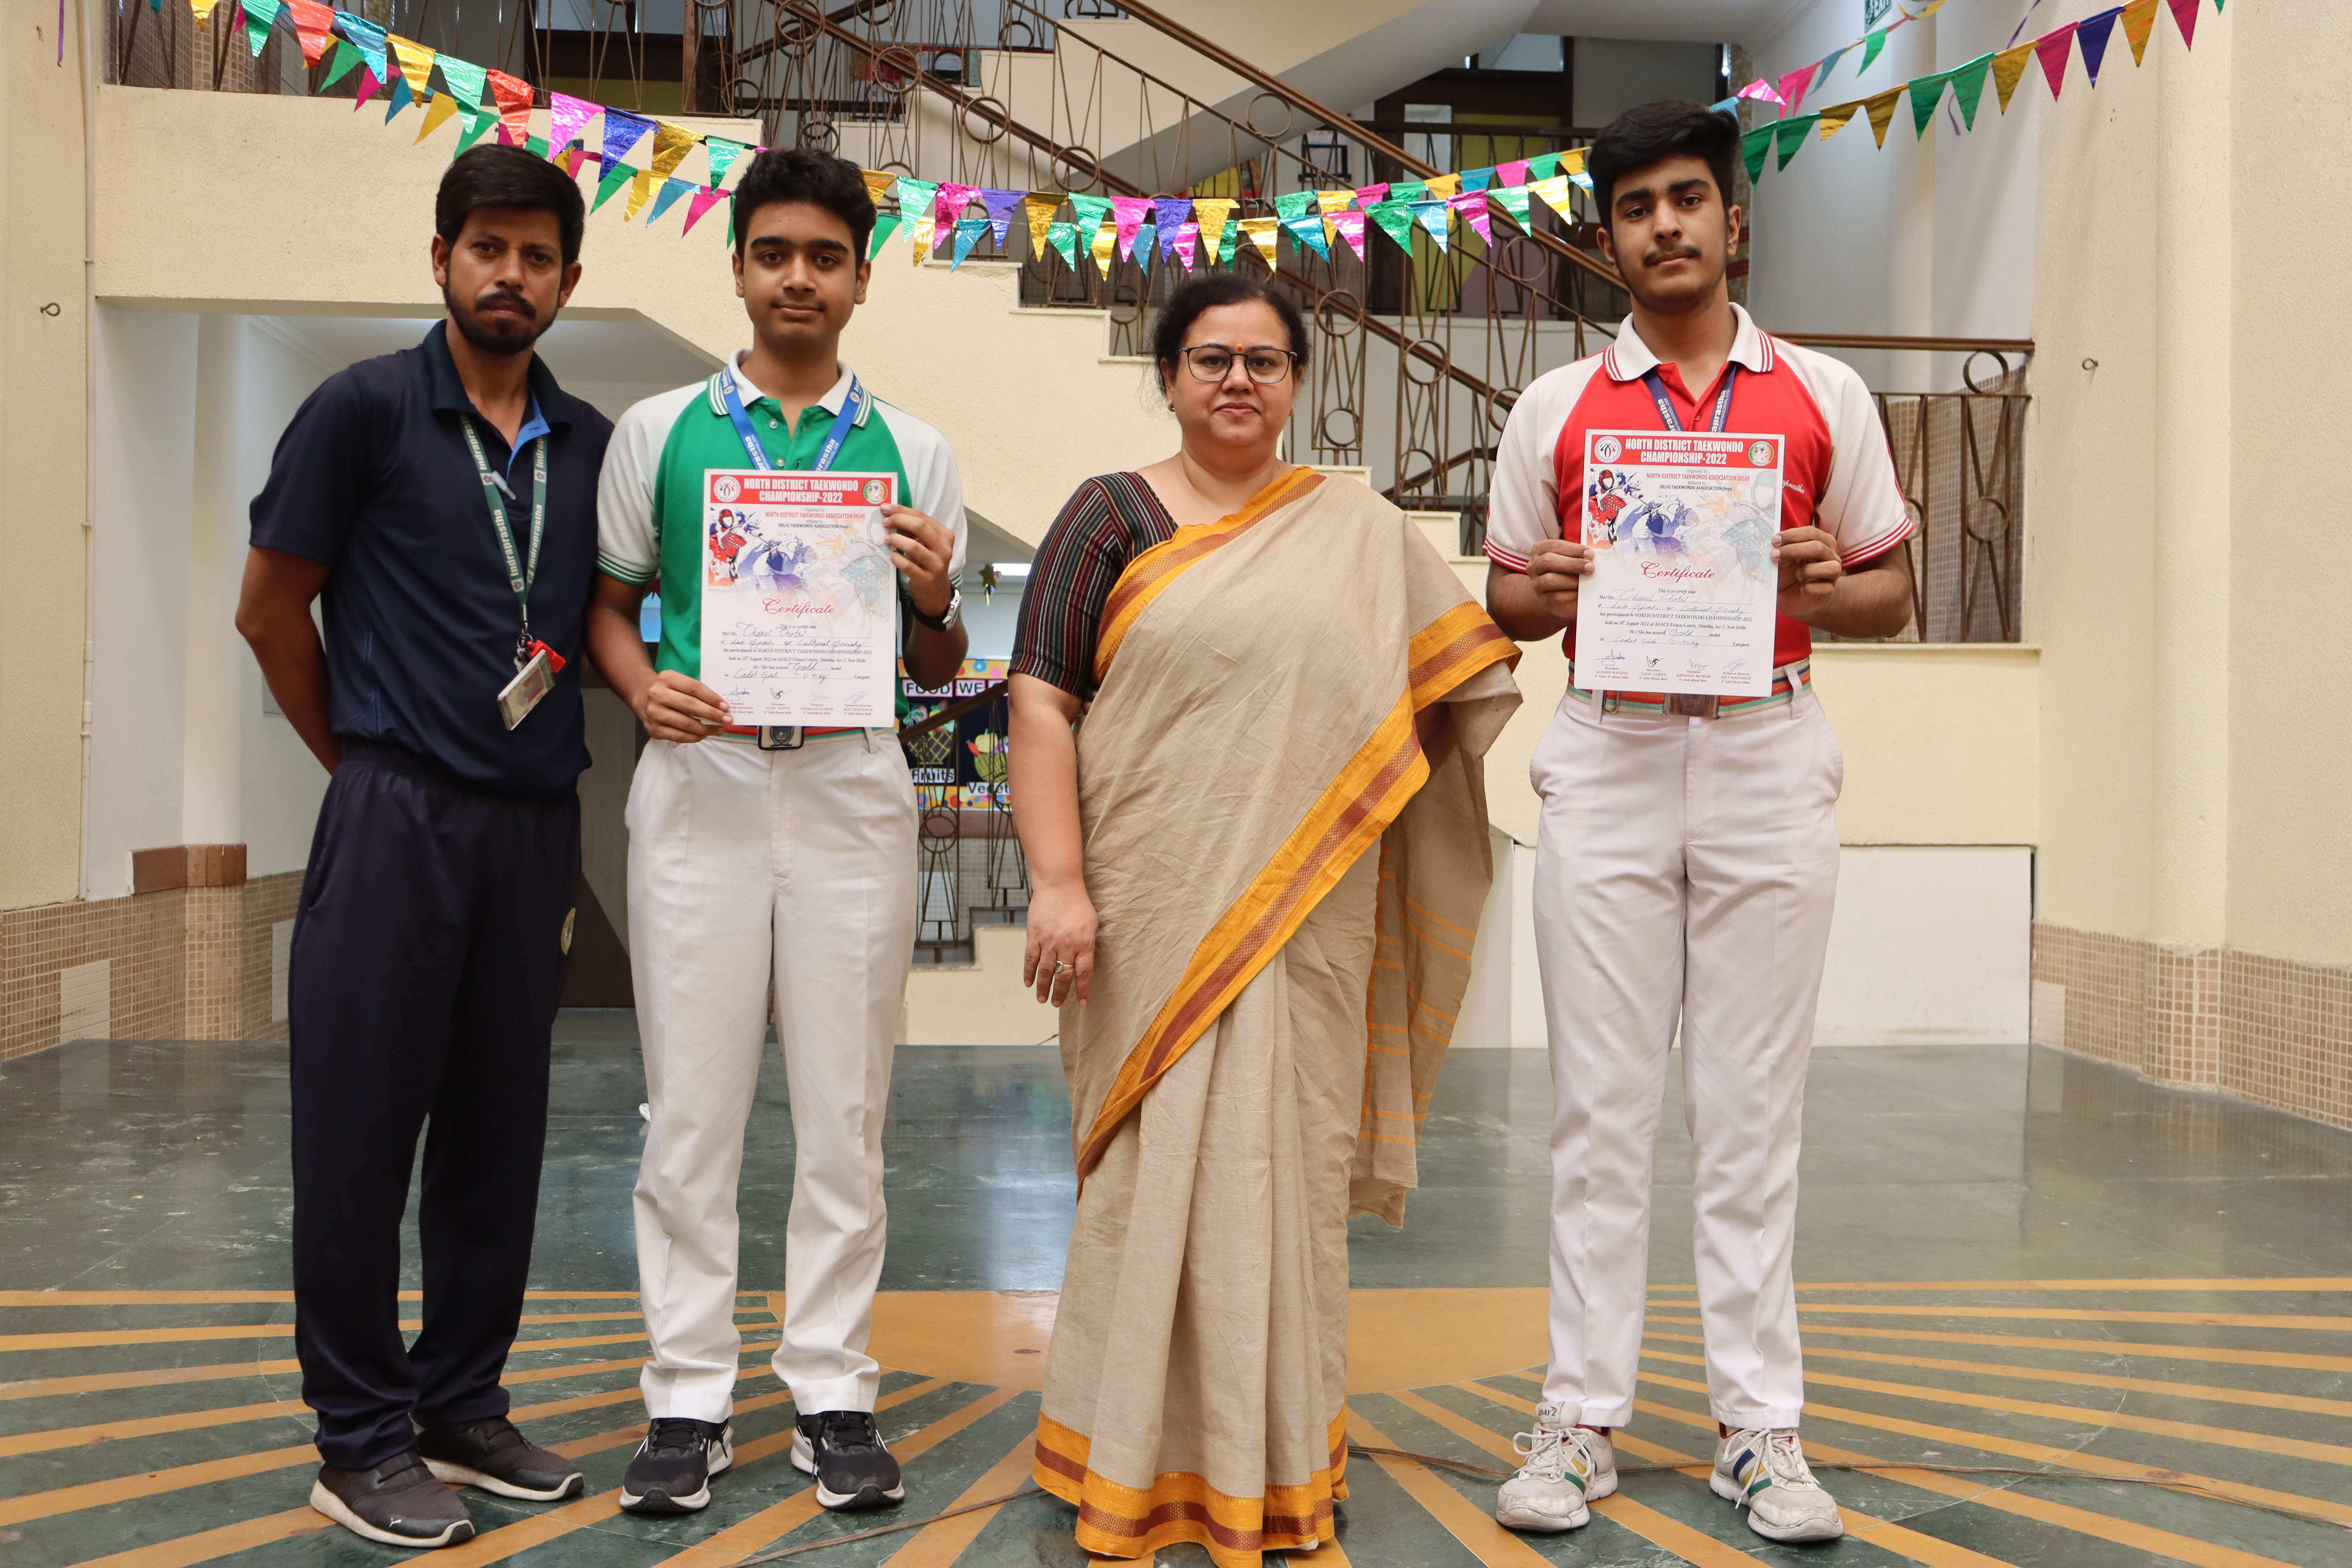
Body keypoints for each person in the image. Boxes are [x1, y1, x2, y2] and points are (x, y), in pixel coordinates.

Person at [1009, 273, 1521, 1566]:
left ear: (1299, 380)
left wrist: (1578, 596)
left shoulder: (1356, 525)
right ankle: (1117, 1446)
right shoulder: (1106, 517)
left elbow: (1454, 674)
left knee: (1279, 1176)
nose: (1238, 381)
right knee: (1153, 1172)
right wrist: (1060, 882)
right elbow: (1040, 703)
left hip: (1309, 917)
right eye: (1210, 359)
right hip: (1150, 904)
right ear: (1170, 374)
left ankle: (1279, 1453)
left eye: (1265, 361)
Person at [1481, 101, 1915, 1544]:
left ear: (1735, 220)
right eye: (1634, 208)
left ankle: (1759, 1431)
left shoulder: (1825, 397)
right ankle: (1581, 1418)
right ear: (1607, 240)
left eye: (1687, 200)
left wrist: (1814, 578)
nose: (1663, 225)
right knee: (1598, 1113)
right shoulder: (1554, 408)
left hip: (1766, 746)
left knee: (1750, 1115)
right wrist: (1545, 581)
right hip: (1606, 751)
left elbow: (1888, 595)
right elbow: (1507, 605)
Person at [584, 146, 968, 1517]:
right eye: (772, 253)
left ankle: (832, 1389)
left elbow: (937, 669)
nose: (797, 276)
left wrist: (936, 599)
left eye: (824, 256)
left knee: (844, 1110)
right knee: (688, 1109)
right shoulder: (660, 432)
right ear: (737, 265)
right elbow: (611, 604)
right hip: (704, 786)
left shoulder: (913, 447)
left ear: (864, 277)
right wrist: (641, 687)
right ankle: (685, 1397)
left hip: (855, 786)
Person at [236, 144, 610, 1549]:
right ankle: (358, 1439)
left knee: (496, 1137)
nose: (510, 275)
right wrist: (360, 765)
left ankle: (460, 1399)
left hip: (530, 831)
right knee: (357, 1133)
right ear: (442, 258)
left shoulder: (587, 444)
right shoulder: (364, 412)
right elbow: (272, 613)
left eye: (537, 255)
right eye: (487, 248)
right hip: (395, 813)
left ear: (571, 280)